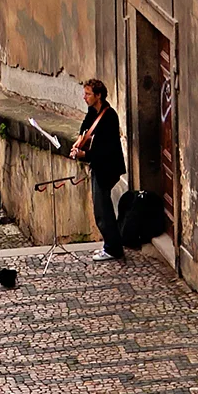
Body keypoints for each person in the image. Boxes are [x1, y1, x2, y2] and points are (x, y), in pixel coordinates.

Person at [71, 78, 125, 261]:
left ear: (98, 95)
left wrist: (83, 156)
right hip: (99, 165)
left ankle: (113, 248)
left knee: (103, 209)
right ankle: (110, 245)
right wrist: (79, 141)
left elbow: (103, 150)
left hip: (107, 166)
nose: (84, 97)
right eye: (84, 93)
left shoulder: (109, 117)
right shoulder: (92, 111)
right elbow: (85, 126)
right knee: (100, 207)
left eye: (88, 94)